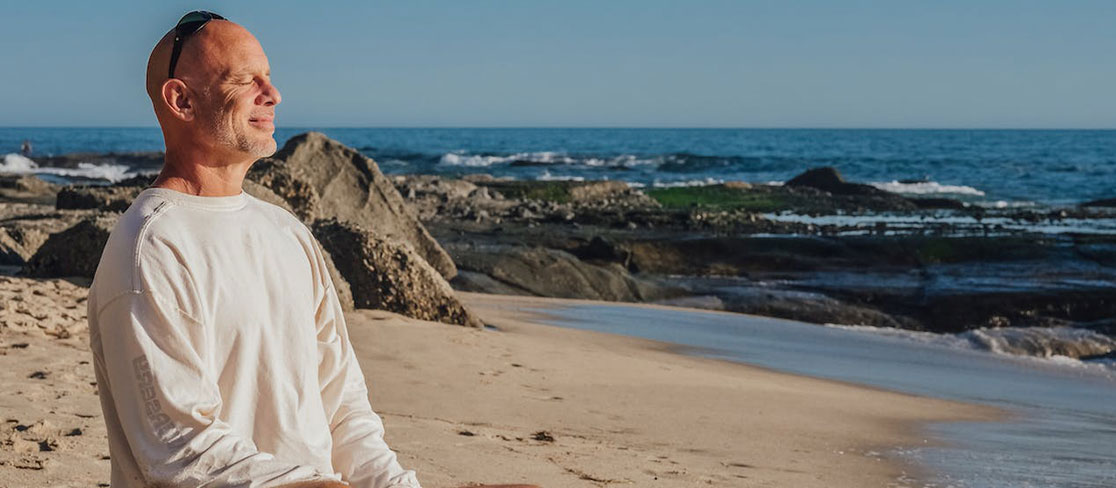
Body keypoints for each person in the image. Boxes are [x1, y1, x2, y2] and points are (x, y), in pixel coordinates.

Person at [88, 11, 540, 488]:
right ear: (181, 100)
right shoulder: (150, 247)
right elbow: (180, 448)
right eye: (246, 79)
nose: (273, 94)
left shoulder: (286, 232)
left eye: (270, 76)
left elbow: (343, 407)